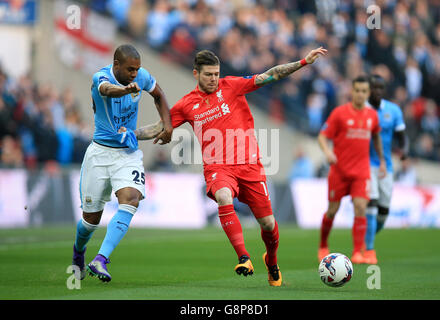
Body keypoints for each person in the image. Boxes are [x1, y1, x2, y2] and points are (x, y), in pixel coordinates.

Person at [135, 47, 327, 286]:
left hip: (250, 166)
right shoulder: (186, 105)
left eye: (216, 73)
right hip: (218, 167)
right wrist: (129, 136)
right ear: (196, 74)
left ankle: (272, 261)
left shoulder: (232, 85)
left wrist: (302, 62)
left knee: (268, 223)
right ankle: (243, 257)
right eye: (208, 74)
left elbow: (271, 75)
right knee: (224, 196)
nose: (214, 78)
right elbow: (158, 127)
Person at [71, 44, 173, 282]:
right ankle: (78, 252)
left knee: (131, 199)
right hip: (99, 154)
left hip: (127, 153)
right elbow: (106, 90)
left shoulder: (141, 76)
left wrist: (167, 124)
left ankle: (101, 259)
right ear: (116, 64)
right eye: (130, 69)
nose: (135, 74)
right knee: (90, 222)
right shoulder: (101, 78)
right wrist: (126, 89)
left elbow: (158, 94)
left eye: (137, 70)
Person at [317, 75, 386, 264]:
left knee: (361, 207)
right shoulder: (339, 113)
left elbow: (377, 137)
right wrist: (328, 152)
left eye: (364, 91)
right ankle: (323, 244)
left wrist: (382, 160)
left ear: (368, 93)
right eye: (357, 90)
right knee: (332, 210)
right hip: (339, 171)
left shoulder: (372, 116)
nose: (360, 94)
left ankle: (357, 252)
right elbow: (322, 136)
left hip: (361, 171)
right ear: (352, 91)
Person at [364, 74, 408, 264]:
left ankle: (366, 238)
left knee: (383, 212)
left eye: (381, 88)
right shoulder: (361, 110)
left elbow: (402, 136)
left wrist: (405, 152)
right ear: (368, 89)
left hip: (386, 167)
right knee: (371, 205)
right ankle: (369, 249)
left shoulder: (393, 110)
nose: (378, 91)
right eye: (374, 87)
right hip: (365, 164)